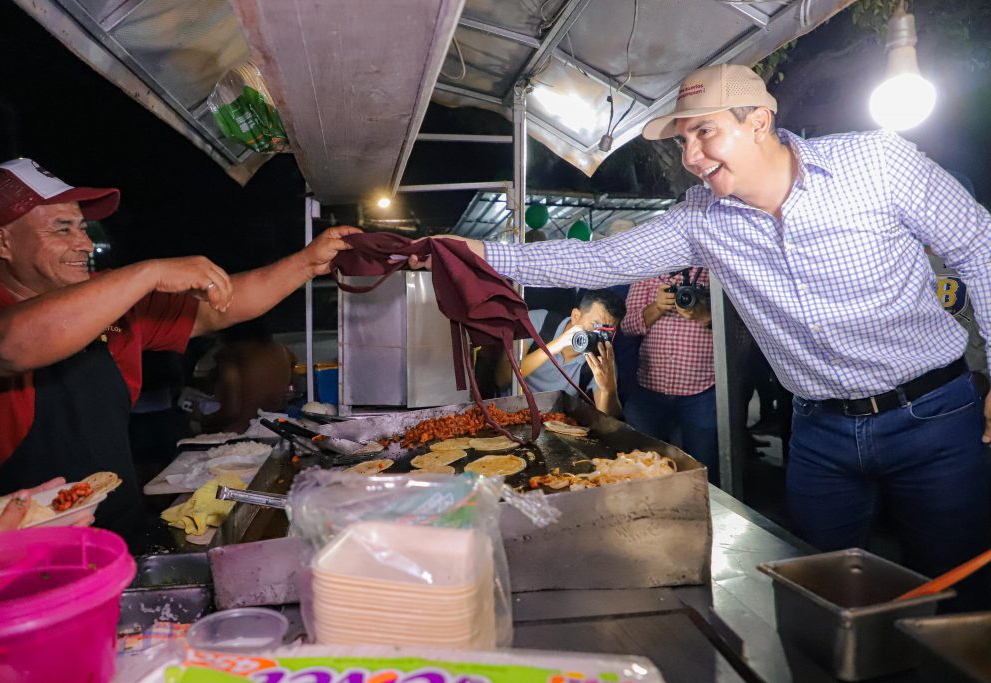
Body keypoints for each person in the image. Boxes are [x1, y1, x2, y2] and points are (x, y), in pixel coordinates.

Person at [410, 64, 991, 607]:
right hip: (821, 431)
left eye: (704, 133)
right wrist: (472, 253)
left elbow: (980, 246)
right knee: (816, 585)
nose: (690, 156)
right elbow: (598, 262)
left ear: (759, 121)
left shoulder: (878, 164)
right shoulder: (700, 218)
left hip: (934, 414)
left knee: (952, 584)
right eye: (681, 142)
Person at [0, 158, 358, 543]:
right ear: (1, 241)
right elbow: (8, 344)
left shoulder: (106, 299)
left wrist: (307, 264)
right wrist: (149, 272)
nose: (84, 243)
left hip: (120, 530)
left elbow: (218, 308)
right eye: (63, 228)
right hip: (13, 559)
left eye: (83, 228)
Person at [621, 268, 718, 483]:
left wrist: (707, 316)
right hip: (648, 388)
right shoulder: (649, 272)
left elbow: (739, 329)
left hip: (702, 391)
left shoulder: (714, 272)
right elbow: (626, 327)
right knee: (639, 466)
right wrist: (657, 307)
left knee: (704, 469)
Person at [494, 289, 625, 417]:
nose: (598, 336)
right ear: (576, 316)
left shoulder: (602, 360)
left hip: (553, 421)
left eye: (606, 332)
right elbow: (502, 378)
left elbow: (609, 421)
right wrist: (554, 346)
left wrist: (609, 390)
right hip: (509, 412)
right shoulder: (537, 322)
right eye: (595, 325)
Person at [198, 317, 296, 433]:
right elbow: (292, 385)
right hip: (276, 429)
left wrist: (201, 418)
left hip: (241, 435)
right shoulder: (283, 351)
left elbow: (231, 411)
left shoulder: (230, 355)